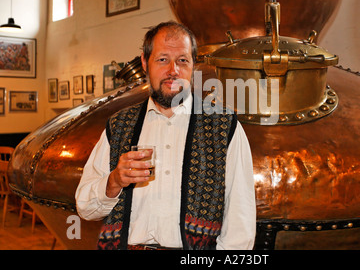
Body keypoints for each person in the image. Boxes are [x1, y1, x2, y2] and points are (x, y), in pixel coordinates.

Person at [75, 21, 256, 250]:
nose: (173, 70)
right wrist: (113, 182)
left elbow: (241, 224)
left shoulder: (224, 127)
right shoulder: (119, 125)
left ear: (194, 65)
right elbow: (85, 208)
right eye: (162, 60)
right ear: (144, 62)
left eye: (182, 60)